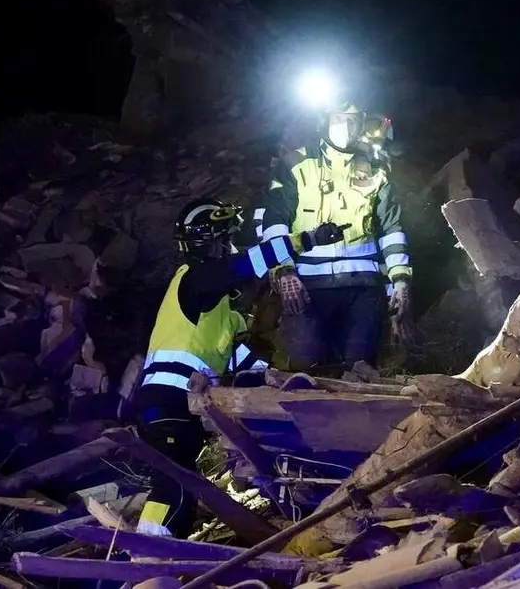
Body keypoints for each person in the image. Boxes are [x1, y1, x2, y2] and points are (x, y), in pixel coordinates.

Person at [135, 198, 345, 537]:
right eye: (226, 239)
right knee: (174, 485)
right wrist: (306, 240)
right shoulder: (196, 279)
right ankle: (146, 554)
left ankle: (157, 553)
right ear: (211, 242)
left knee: (180, 484)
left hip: (175, 405)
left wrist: (276, 378)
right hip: (168, 401)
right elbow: (244, 265)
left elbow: (238, 359)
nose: (229, 247)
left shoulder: (218, 310)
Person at [260, 101, 415, 375]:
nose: (347, 127)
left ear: (362, 124)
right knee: (304, 370)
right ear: (325, 122)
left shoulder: (376, 169)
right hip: (307, 289)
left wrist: (400, 281)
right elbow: (274, 223)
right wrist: (284, 272)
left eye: (353, 120)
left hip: (363, 288)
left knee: (360, 368)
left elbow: (391, 229)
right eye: (340, 119)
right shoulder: (297, 164)